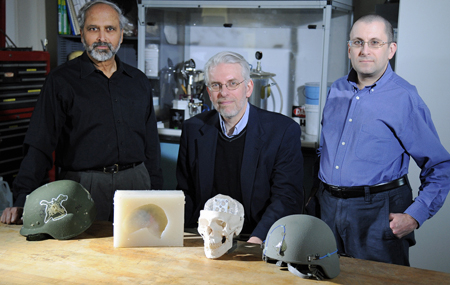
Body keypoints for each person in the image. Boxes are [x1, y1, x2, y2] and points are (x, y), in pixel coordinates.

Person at [1, 0, 162, 224]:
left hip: (136, 184)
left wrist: (157, 192)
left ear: (121, 35)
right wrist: (21, 198)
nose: (102, 38)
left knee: (141, 254)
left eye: (110, 29)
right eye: (93, 29)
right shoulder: (60, 81)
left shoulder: (139, 81)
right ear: (82, 33)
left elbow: (151, 146)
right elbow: (39, 144)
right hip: (81, 188)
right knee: (83, 257)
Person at [316, 14, 450, 265]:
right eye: (358, 42)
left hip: (377, 214)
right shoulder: (337, 89)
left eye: (375, 42)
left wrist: (415, 216)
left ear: (391, 49)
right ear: (349, 49)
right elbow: (326, 148)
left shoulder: (404, 97)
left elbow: (441, 166)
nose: (365, 50)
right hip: (328, 210)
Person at [176, 51, 304, 244]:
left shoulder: (282, 131)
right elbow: (186, 194)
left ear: (248, 88)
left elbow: (286, 198)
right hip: (205, 237)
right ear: (209, 92)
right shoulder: (193, 129)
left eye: (232, 83)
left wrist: (257, 240)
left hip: (256, 236)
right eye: (216, 85)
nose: (224, 92)